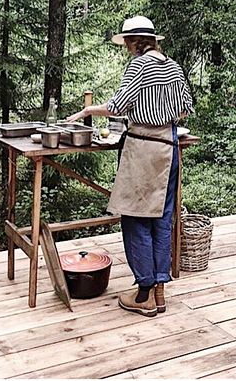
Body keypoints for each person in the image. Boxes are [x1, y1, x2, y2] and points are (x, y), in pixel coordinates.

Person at [66, 16, 193, 316]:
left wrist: (87, 109)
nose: (125, 47)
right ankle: (158, 293)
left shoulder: (139, 65)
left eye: (125, 42)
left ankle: (144, 295)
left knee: (136, 220)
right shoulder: (173, 66)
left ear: (134, 42)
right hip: (170, 148)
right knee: (161, 221)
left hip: (144, 151)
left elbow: (117, 106)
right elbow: (186, 109)